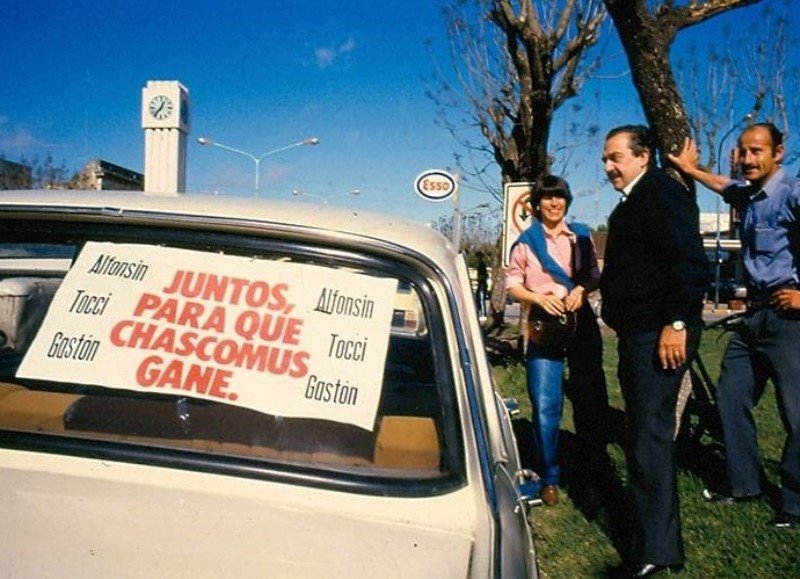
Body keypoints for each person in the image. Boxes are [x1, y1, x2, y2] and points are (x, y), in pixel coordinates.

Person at [669, 122, 800, 530]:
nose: (747, 159)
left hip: (789, 317)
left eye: (757, 151)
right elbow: (724, 185)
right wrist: (692, 171)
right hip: (753, 316)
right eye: (743, 151)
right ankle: (744, 485)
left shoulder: (792, 192)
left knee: (796, 415)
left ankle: (794, 505)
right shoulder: (748, 193)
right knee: (730, 397)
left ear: (779, 152)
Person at [600, 125, 708, 577]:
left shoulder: (661, 192)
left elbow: (689, 260)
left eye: (615, 158)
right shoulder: (632, 204)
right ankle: (654, 540)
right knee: (644, 436)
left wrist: (677, 322)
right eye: (605, 160)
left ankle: (656, 550)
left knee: (648, 439)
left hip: (659, 334)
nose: (608, 167)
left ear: (643, 156)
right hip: (637, 335)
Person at [505, 175, 608, 507]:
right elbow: (512, 283)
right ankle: (549, 476)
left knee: (589, 403)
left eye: (559, 197)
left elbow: (593, 274)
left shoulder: (581, 234)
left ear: (566, 201)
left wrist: (580, 289)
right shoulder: (525, 241)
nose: (554, 203)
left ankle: (593, 472)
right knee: (546, 404)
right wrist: (535, 297)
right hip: (544, 328)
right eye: (547, 198)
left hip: (581, 326)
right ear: (537, 204)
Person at [475, 253, 489, 319]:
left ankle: (483, 314)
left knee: (481, 298)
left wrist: (480, 278)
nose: (476, 258)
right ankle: (479, 312)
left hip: (482, 283)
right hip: (480, 283)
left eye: (477, 257)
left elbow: (484, 275)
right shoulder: (479, 264)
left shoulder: (482, 264)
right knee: (478, 298)